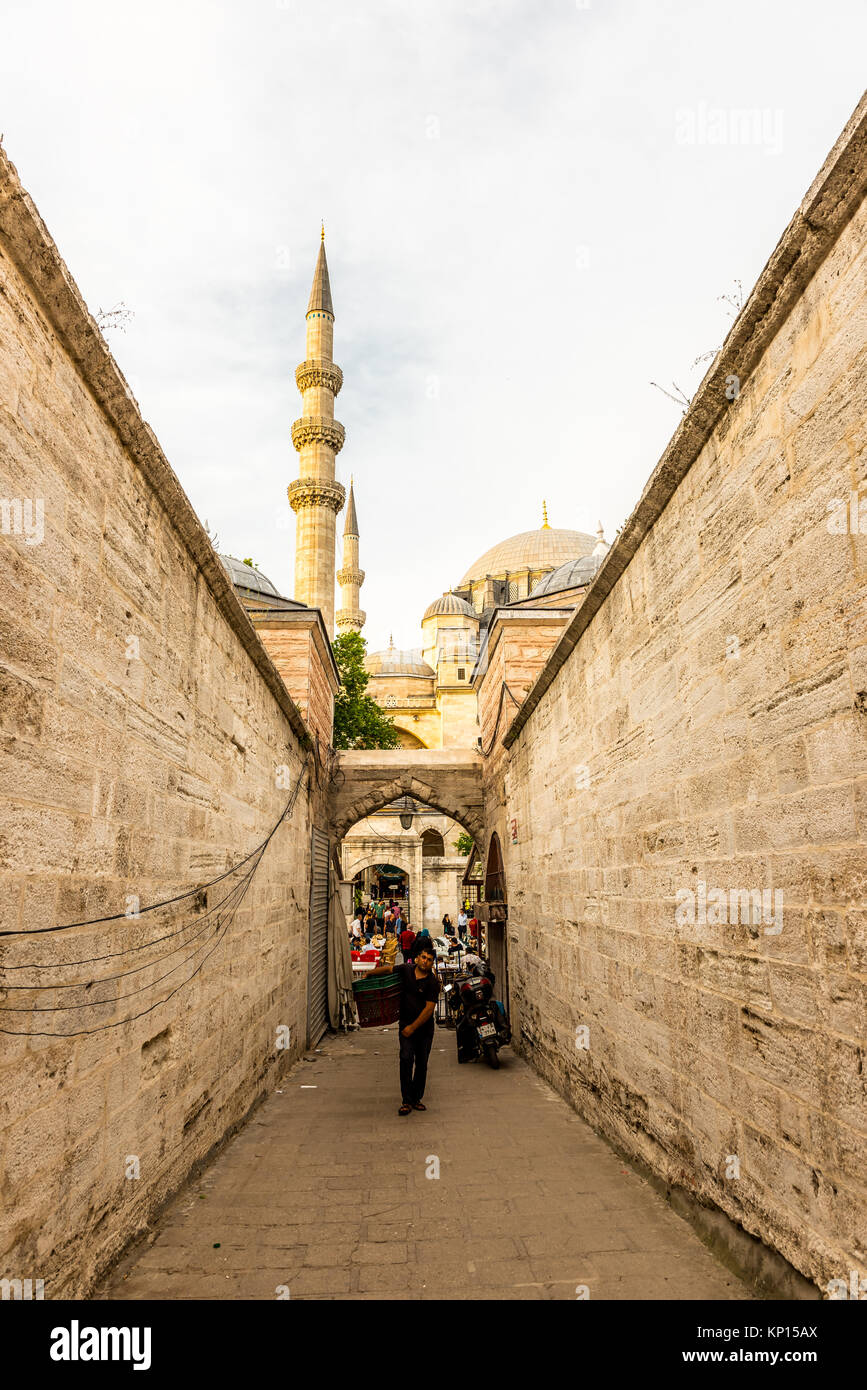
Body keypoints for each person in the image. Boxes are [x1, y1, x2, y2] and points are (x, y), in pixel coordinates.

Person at [369, 943, 440, 1114]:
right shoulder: (406, 970)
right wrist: (370, 973)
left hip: (423, 1030)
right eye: (423, 957)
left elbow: (429, 1009)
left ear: (432, 964)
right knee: (406, 1059)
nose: (425, 961)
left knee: (421, 1064)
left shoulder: (432, 983)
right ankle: (406, 1100)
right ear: (417, 958)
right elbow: (387, 970)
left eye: (429, 960)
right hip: (405, 1026)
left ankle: (417, 1098)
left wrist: (413, 1027)